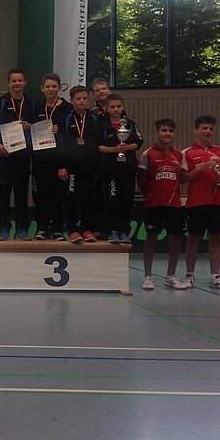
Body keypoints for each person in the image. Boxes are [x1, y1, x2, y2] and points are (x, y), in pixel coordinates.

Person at [137, 119, 190, 290]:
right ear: (157, 133)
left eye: (170, 131)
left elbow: (182, 178)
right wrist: (148, 194)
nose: (167, 134)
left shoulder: (179, 155)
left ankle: (170, 276)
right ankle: (148, 276)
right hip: (154, 204)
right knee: (151, 238)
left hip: (174, 205)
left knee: (176, 239)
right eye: (164, 130)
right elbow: (141, 177)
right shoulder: (148, 154)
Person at [181, 115, 220, 290]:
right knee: (194, 238)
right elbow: (183, 179)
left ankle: (215, 276)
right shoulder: (187, 152)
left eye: (210, 128)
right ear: (196, 130)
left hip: (218, 201)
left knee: (215, 238)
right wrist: (200, 168)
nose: (208, 131)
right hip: (196, 202)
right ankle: (189, 275)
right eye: (204, 128)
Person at [0, 69, 37, 239]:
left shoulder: (32, 104)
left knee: (21, 194)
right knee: (2, 194)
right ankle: (3, 228)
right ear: (8, 83)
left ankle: (22, 229)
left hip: (23, 156)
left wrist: (31, 126)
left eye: (20, 80)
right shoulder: (1, 103)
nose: (17, 83)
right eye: (14, 81)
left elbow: (40, 127)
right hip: (4, 156)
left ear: (25, 82)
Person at [57, 86, 102, 243]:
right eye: (78, 98)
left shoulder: (94, 118)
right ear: (71, 100)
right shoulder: (66, 118)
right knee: (71, 199)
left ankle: (87, 228)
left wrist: (98, 165)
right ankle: (72, 229)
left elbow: (98, 142)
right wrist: (62, 165)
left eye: (84, 98)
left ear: (88, 100)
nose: (82, 101)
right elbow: (61, 142)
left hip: (89, 167)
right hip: (72, 168)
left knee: (88, 199)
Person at [97, 93, 141, 244]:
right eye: (112, 107)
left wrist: (127, 147)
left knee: (126, 200)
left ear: (123, 107)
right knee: (111, 200)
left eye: (118, 106)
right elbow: (98, 147)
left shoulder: (130, 124)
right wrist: (114, 150)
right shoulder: (101, 125)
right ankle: (112, 230)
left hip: (127, 169)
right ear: (106, 108)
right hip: (110, 170)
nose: (116, 109)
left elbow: (138, 143)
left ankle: (124, 230)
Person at [32, 73, 70, 240]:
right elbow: (31, 129)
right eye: (47, 86)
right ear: (42, 88)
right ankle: (42, 228)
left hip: (59, 161)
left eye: (54, 86)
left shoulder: (67, 108)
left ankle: (57, 229)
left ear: (59, 88)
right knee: (41, 196)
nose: (51, 89)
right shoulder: (36, 107)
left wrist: (63, 164)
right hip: (40, 160)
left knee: (58, 196)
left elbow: (70, 135)